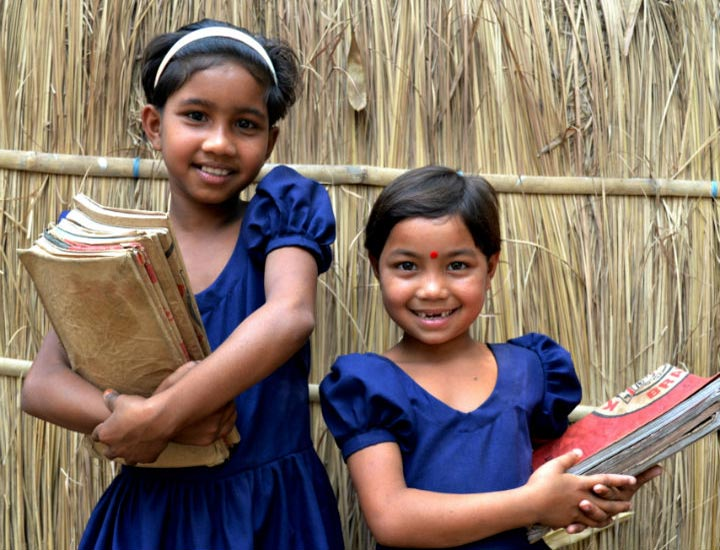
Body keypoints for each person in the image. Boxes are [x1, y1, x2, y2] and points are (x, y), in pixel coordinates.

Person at [21, 18, 344, 550]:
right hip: (152, 522)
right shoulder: (113, 250)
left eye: (245, 124)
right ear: (154, 124)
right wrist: (131, 419)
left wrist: (163, 414)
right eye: (196, 116)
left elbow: (290, 316)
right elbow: (42, 384)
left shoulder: (281, 217)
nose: (219, 142)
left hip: (272, 515)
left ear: (271, 139)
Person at [319, 166, 662, 549]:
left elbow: (553, 473)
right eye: (407, 266)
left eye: (457, 266)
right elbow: (392, 518)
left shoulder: (531, 369)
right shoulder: (369, 386)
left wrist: (597, 487)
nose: (432, 289)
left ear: (491, 267)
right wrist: (532, 504)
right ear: (375, 267)